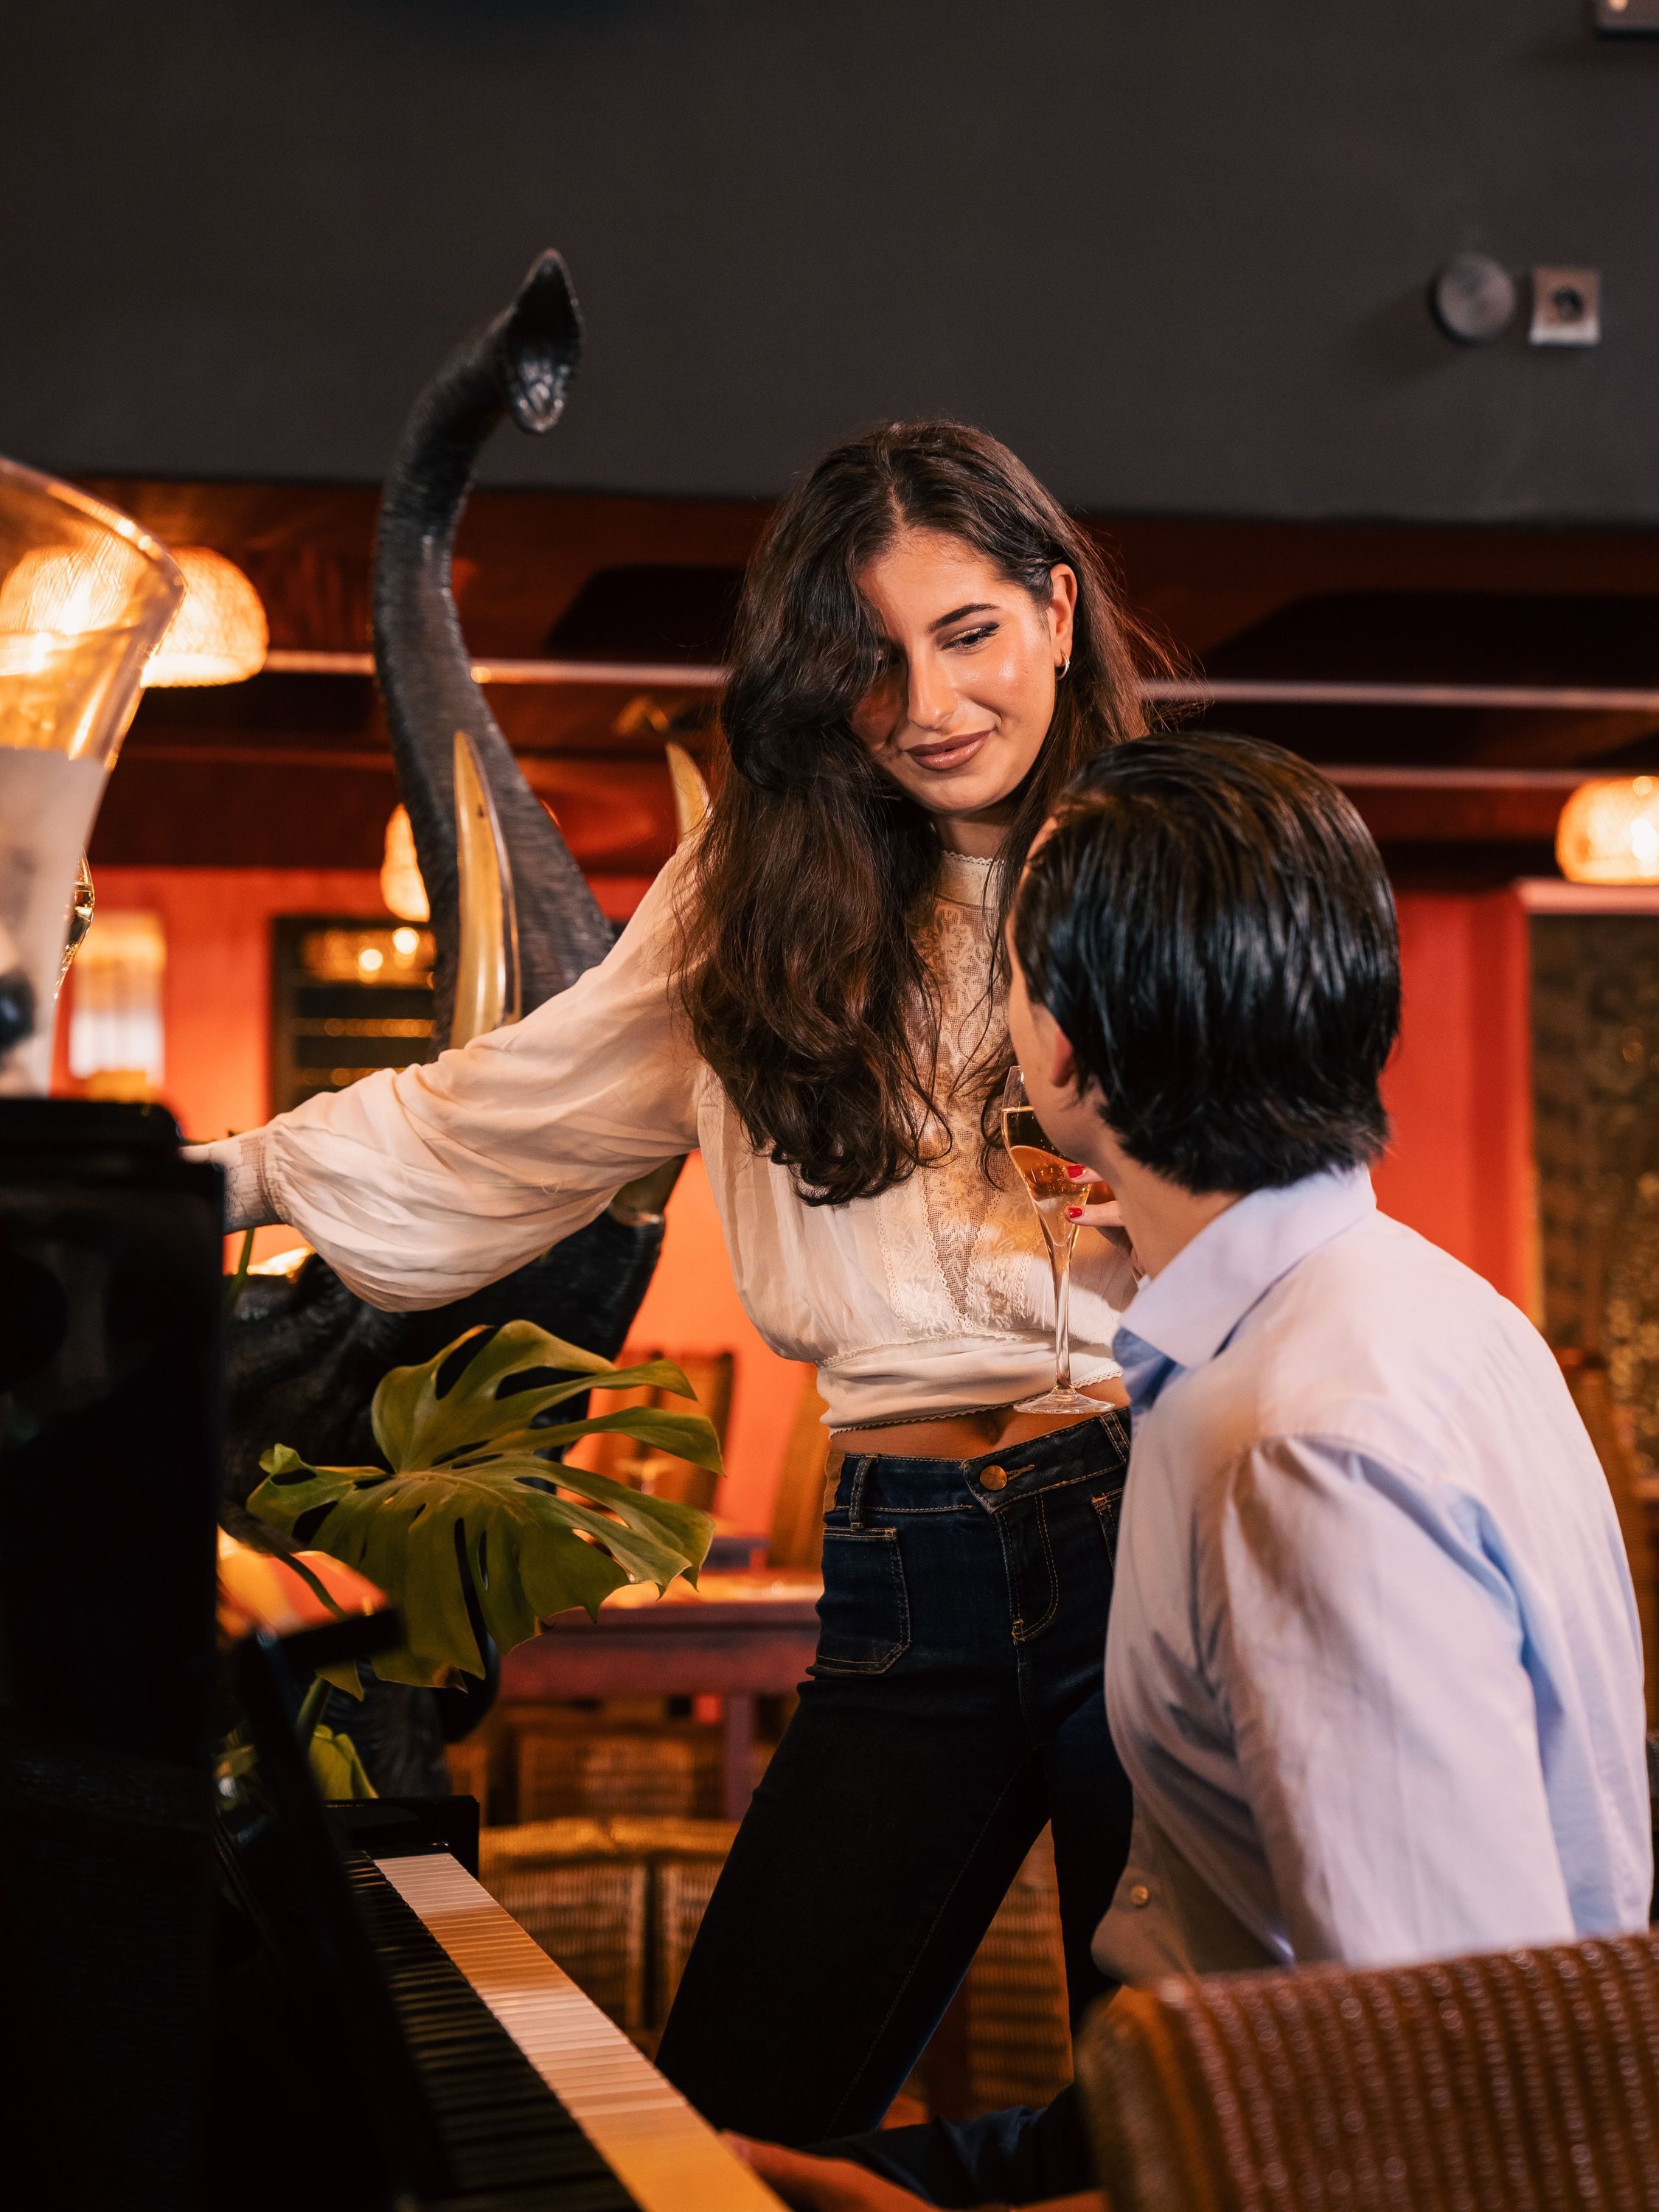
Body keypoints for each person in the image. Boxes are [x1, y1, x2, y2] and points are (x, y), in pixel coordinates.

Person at [197, 420, 1177, 2140]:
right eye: (869, 661)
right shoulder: (761, 891)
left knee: (1182, 2126)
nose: (931, 703)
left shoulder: (1170, 856)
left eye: (968, 635)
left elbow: (1301, 1177)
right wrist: (211, 1179)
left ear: (1059, 611)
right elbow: (513, 1108)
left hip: (1160, 1537)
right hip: (911, 1564)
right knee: (740, 2111)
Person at [735, 732, 1652, 2211]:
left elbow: (1449, 2128)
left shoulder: (1302, 1448)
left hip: (1285, 2151)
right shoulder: (1423, 1304)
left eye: (1013, 972)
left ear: (1067, 1051)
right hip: (1206, 2107)